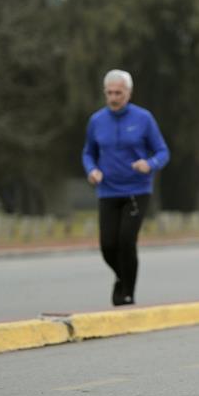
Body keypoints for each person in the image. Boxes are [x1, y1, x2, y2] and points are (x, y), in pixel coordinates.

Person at [82, 69, 170, 306]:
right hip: (107, 190)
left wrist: (149, 164)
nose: (113, 98)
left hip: (137, 190)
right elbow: (88, 152)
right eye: (109, 93)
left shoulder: (144, 118)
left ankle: (127, 292)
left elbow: (162, 152)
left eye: (118, 93)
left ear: (128, 93)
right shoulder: (97, 120)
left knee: (126, 241)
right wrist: (91, 170)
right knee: (108, 245)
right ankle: (122, 277)